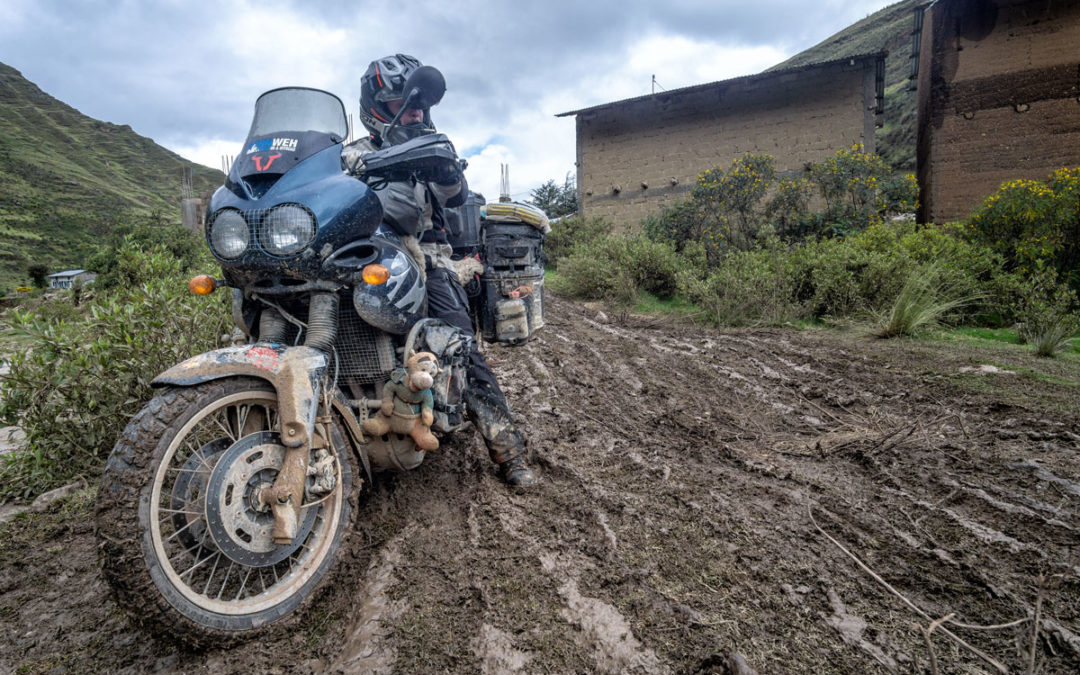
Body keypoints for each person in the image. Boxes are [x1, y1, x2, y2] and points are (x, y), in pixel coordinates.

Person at [342, 54, 536, 488]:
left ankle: (508, 449)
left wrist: (445, 168)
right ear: (376, 105)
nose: (415, 111)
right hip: (359, 256)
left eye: (420, 105)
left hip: (423, 257)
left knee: (458, 344)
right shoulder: (349, 155)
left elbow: (453, 195)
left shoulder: (427, 148)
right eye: (403, 102)